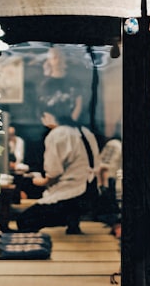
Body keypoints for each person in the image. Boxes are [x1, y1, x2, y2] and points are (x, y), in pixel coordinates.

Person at [15, 91, 99, 235]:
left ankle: (68, 216)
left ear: (48, 115)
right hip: (90, 192)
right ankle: (73, 221)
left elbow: (53, 173)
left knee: (24, 221)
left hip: (71, 195)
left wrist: (38, 181)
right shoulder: (85, 131)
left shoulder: (58, 134)